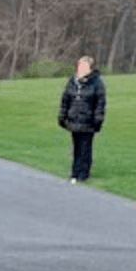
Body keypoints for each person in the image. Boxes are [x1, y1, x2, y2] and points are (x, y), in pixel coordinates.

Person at [58, 55, 107, 183]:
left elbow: (100, 102)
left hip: (88, 120)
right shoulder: (73, 81)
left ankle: (84, 172)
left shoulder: (96, 83)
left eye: (84, 65)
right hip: (74, 119)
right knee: (76, 147)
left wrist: (98, 119)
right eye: (80, 65)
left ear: (90, 67)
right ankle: (75, 171)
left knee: (85, 147)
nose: (81, 68)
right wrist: (63, 116)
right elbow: (66, 99)